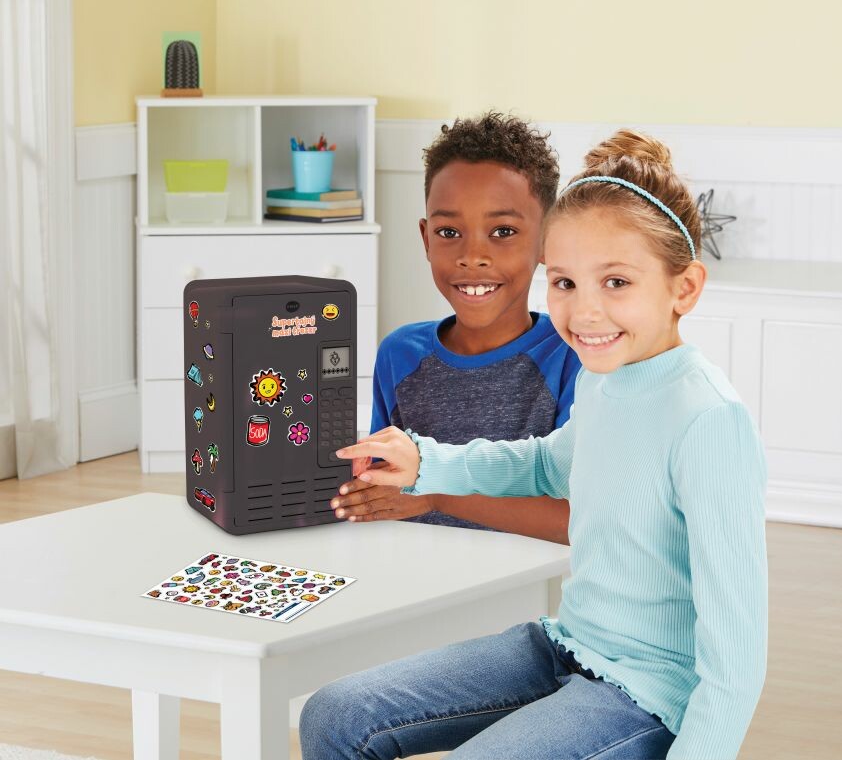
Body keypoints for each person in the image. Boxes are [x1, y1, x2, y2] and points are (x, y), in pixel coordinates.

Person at [302, 130, 768, 760]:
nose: (585, 312)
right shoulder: (606, 380)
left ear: (683, 288)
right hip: (568, 646)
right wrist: (425, 462)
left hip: (647, 693)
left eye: (616, 282)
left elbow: (737, 661)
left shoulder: (708, 420)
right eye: (566, 283)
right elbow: (549, 464)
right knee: (335, 716)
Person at [334, 111, 580, 544]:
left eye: (502, 231)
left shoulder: (572, 357)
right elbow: (381, 488)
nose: (472, 256)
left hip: (522, 582)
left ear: (547, 240)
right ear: (426, 238)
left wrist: (434, 494)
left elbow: (576, 521)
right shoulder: (399, 354)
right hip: (412, 572)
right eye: (449, 232)